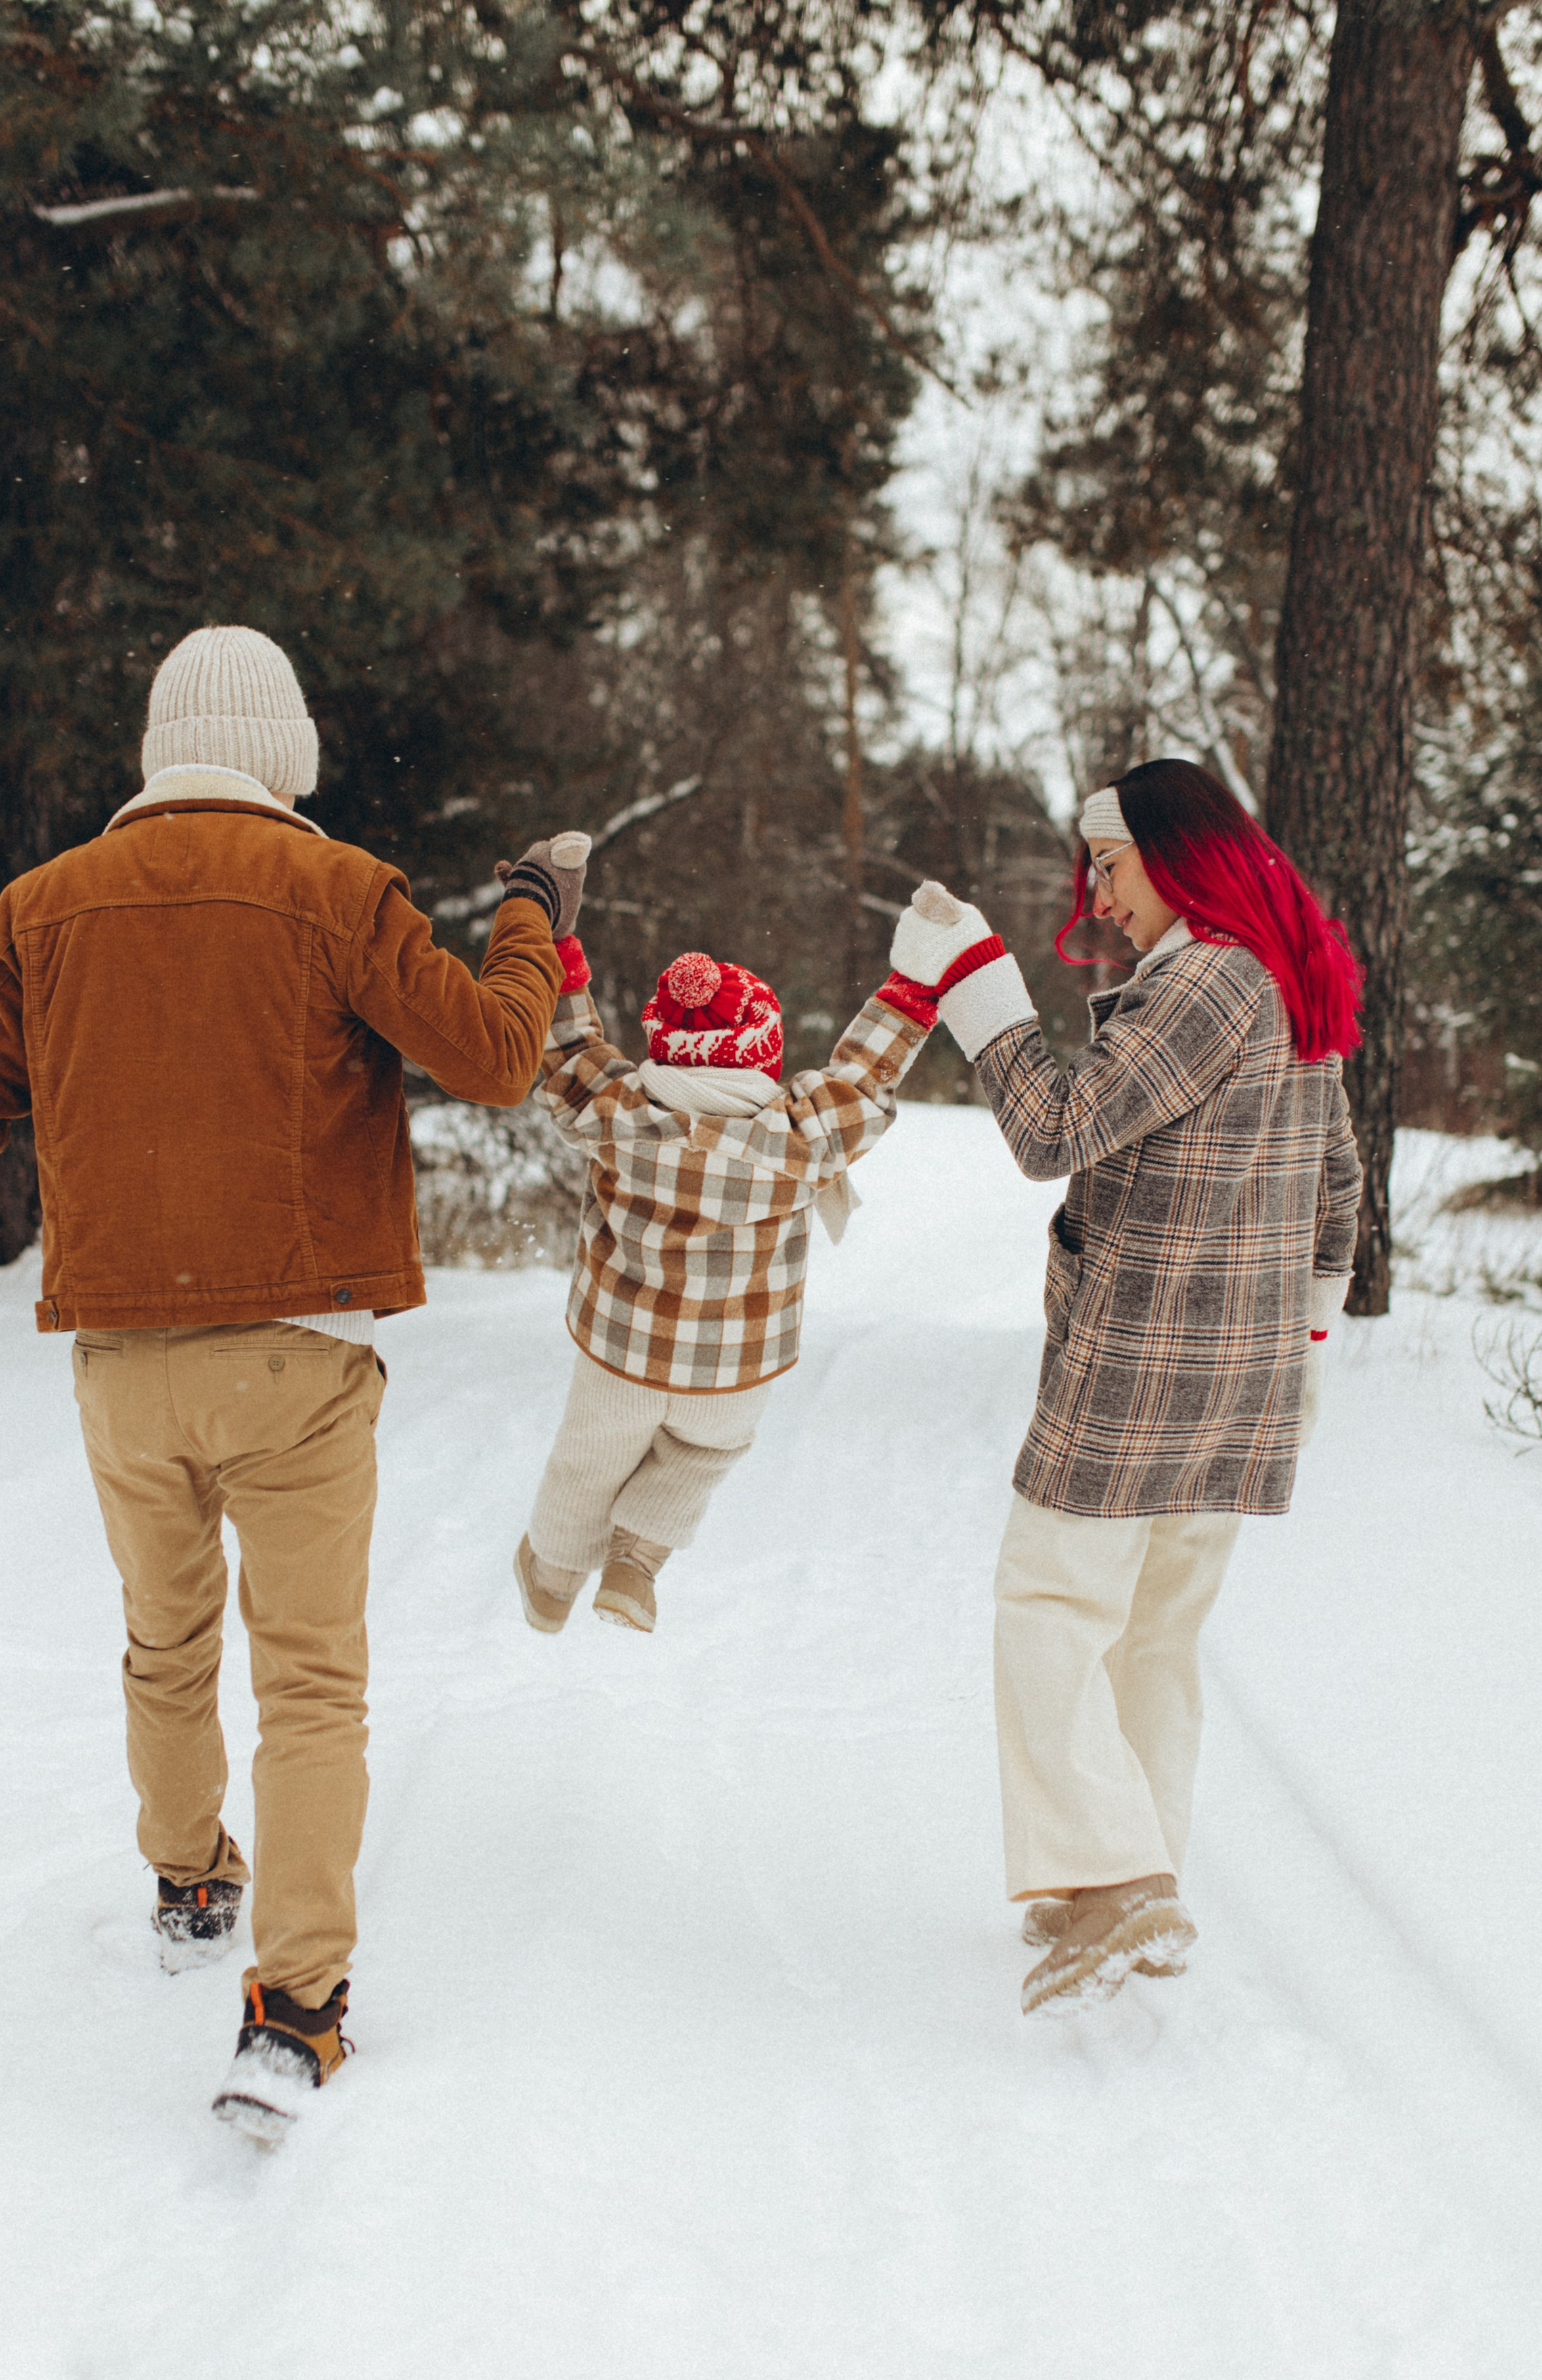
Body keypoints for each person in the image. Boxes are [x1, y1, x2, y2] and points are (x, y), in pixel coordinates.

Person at [0, 624, 586, 2139]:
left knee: (164, 1641)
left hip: (122, 1359)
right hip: (297, 1356)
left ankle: (191, 1878)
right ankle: (294, 2010)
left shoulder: (39, 909)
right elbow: (503, 1056)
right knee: (309, 1679)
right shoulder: (337, 891)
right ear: (286, 756)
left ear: (157, 750)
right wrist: (531, 909)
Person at [891, 758, 1363, 2016]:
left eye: (1109, 865)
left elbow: (1052, 1127)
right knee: (1150, 1638)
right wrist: (1304, 1349)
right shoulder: (1287, 976)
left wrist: (975, 985)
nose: (1098, 899)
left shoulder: (1208, 980)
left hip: (1148, 1366)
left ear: (1177, 853)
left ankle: (1118, 1877)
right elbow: (1342, 1189)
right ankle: (1123, 1878)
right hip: (1241, 1380)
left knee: (1047, 1607)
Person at [512, 911, 992, 1635]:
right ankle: (635, 1564)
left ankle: (551, 1582)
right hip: (732, 1371)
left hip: (622, 1356)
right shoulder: (797, 1138)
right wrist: (909, 988)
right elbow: (862, 1080)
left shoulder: (619, 1117)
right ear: (762, 1058)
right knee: (701, 1455)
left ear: (665, 1052)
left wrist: (555, 952)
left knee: (586, 1462)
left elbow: (570, 1051)